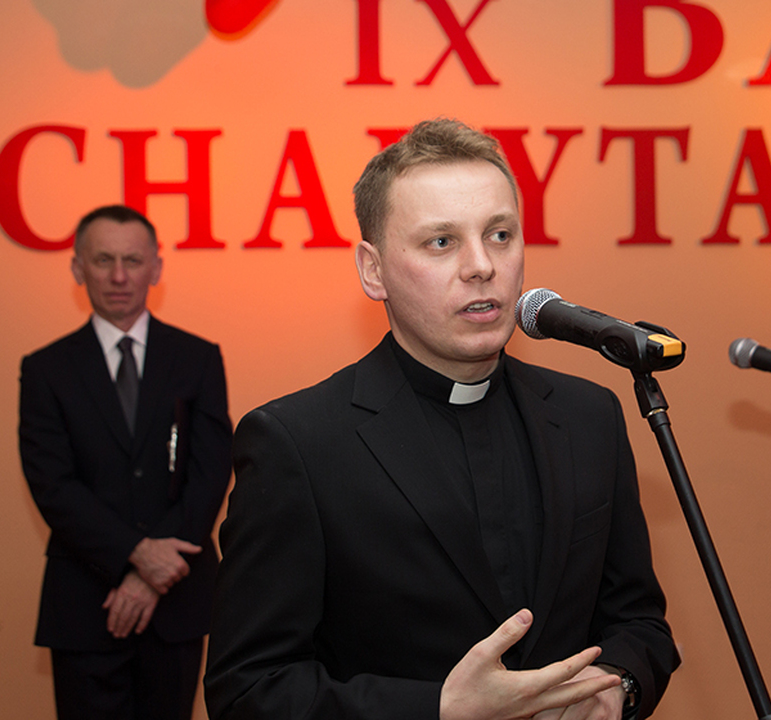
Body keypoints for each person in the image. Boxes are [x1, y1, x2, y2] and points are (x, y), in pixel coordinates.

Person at [204, 119, 678, 720]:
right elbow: (247, 691)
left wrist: (615, 686)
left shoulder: (590, 416)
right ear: (373, 270)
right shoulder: (297, 442)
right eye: (441, 242)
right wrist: (441, 709)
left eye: (500, 235)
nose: (481, 266)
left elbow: (638, 623)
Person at [19, 204, 233, 720]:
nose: (119, 276)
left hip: (176, 601)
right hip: (84, 602)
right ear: (78, 268)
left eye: (133, 261)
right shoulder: (46, 369)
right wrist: (137, 553)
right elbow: (52, 485)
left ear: (156, 269)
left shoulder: (198, 358)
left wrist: (152, 574)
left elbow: (210, 472)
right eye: (104, 260)